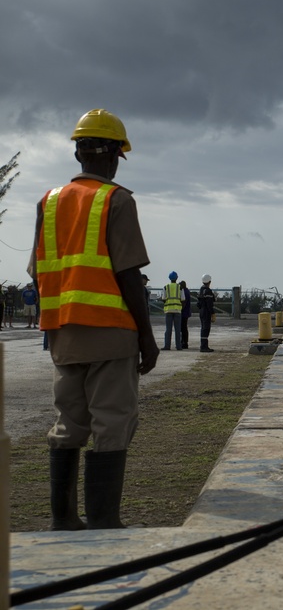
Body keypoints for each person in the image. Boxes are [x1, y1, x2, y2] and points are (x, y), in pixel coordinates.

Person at [28, 108, 158, 530]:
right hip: (110, 332)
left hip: (62, 333)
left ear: (79, 153)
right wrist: (147, 338)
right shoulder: (116, 200)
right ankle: (104, 521)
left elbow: (37, 271)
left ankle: (63, 520)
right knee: (112, 422)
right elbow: (128, 275)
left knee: (69, 422)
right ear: (113, 155)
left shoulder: (47, 202)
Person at [162, 271, 182, 350]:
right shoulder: (180, 287)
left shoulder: (166, 287)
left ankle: (167, 346)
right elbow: (183, 299)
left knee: (168, 329)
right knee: (178, 330)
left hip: (168, 310)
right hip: (177, 310)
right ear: (177, 278)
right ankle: (178, 346)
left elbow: (163, 298)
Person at [198, 273, 216, 352]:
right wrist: (212, 313)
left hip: (201, 311)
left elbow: (198, 303)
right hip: (206, 312)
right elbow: (209, 304)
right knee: (206, 329)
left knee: (203, 329)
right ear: (209, 281)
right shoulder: (208, 291)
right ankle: (204, 347)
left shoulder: (201, 290)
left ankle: (203, 345)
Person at [179, 280, 192, 350]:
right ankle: (184, 342)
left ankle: (184, 342)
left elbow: (183, 303)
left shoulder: (184, 292)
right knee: (184, 328)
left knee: (183, 328)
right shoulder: (187, 291)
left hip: (183, 312)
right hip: (186, 312)